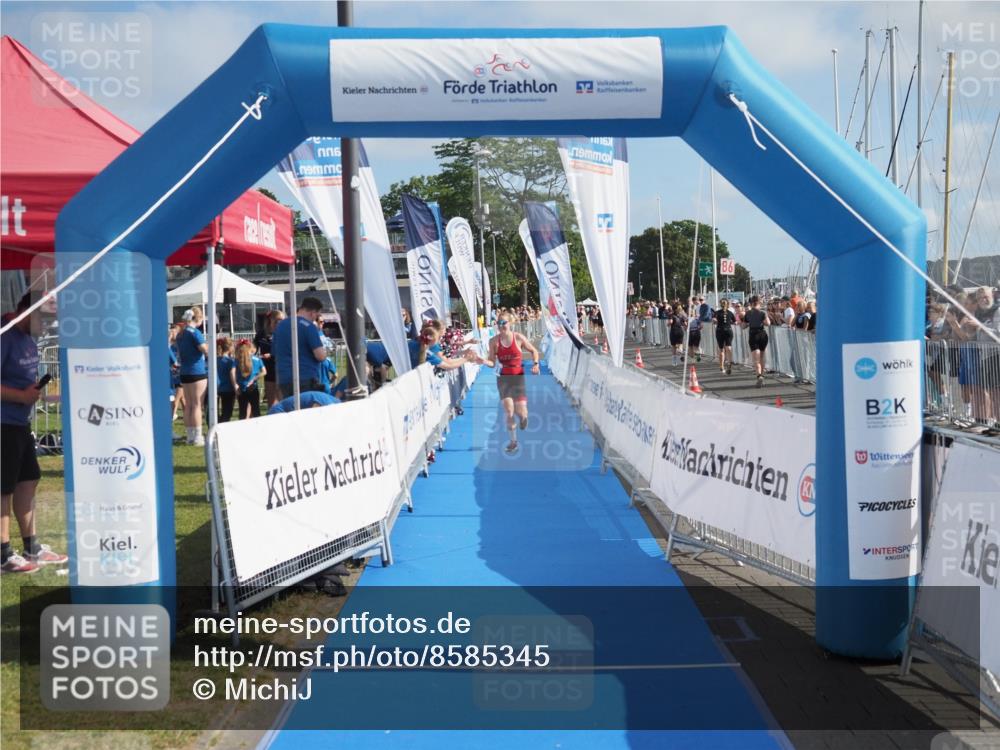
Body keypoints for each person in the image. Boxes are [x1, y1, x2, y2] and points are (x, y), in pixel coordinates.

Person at [1, 293, 68, 573]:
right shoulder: (4, 334)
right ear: (25, 311)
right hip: (3, 423)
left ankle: (32, 547)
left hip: (20, 423)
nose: (47, 326)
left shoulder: (28, 338)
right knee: (3, 488)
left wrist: (34, 395)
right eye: (44, 319)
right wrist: (19, 395)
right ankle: (3, 554)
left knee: (28, 480)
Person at [477, 311, 541, 454]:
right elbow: (492, 362)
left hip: (518, 376)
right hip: (503, 378)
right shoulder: (493, 341)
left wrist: (536, 363)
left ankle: (524, 418)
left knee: (521, 411)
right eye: (499, 323)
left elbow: (533, 350)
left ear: (510, 324)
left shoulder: (518, 338)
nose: (501, 326)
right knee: (509, 411)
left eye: (504, 323)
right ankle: (513, 442)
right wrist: (482, 361)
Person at [273, 298, 328, 399]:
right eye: (316, 315)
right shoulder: (309, 327)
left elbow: (274, 352)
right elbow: (320, 356)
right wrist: (326, 353)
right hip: (305, 377)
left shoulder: (280, 326)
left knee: (291, 411)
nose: (315, 318)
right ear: (312, 313)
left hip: (284, 378)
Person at [177, 307, 209, 445]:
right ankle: (197, 436)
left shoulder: (181, 333)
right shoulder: (195, 333)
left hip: (184, 371)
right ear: (199, 318)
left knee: (189, 405)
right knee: (197, 404)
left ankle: (190, 436)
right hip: (197, 371)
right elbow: (204, 350)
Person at [255, 309, 285, 408]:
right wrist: (258, 357)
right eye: (278, 320)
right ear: (271, 320)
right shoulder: (261, 334)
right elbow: (253, 350)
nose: (280, 322)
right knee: (272, 403)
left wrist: (272, 355)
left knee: (283, 401)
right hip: (268, 370)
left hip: (283, 369)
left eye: (282, 320)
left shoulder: (286, 332)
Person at [235, 339, 265, 419]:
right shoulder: (257, 359)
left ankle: (243, 430)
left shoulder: (236, 361)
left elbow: (233, 374)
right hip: (253, 388)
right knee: (256, 411)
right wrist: (254, 379)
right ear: (250, 348)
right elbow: (264, 372)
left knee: (242, 412)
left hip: (241, 389)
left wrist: (236, 385)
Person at [743, 295, 769, 387]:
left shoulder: (748, 313)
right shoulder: (763, 312)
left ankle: (759, 376)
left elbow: (743, 326)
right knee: (762, 357)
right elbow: (768, 323)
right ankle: (762, 376)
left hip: (753, 335)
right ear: (759, 302)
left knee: (756, 359)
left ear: (751, 303)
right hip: (762, 334)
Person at [216, 337, 237, 423]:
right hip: (228, 389)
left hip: (216, 388)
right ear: (230, 348)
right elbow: (233, 375)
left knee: (215, 412)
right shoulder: (230, 361)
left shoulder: (215, 360)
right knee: (227, 412)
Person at [268, 390, 340, 414]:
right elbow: (312, 419)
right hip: (279, 412)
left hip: (281, 410)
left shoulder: (329, 400)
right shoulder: (327, 403)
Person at [714, 298, 736, 374]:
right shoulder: (717, 313)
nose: (724, 305)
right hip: (720, 331)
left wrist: (732, 322)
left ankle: (729, 363)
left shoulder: (730, 313)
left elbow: (735, 321)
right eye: (722, 303)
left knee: (728, 348)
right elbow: (713, 319)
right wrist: (714, 320)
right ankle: (722, 365)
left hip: (727, 331)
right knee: (721, 349)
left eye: (725, 303)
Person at [168, 323, 184, 421]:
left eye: (175, 331)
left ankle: (172, 416)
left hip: (180, 376)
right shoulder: (169, 346)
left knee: (177, 398)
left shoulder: (180, 345)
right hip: (172, 376)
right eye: (172, 331)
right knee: (183, 400)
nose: (172, 333)